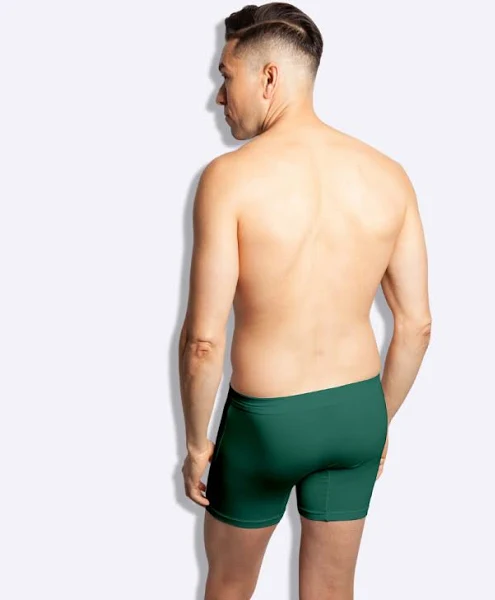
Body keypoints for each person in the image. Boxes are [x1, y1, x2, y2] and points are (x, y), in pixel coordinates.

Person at [178, 3, 432, 598]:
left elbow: (204, 341)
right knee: (332, 588)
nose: (219, 95)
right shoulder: (389, 175)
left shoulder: (229, 179)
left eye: (227, 75)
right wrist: (378, 420)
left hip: (265, 425)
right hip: (356, 415)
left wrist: (195, 445)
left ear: (269, 77)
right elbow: (416, 324)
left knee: (229, 586)